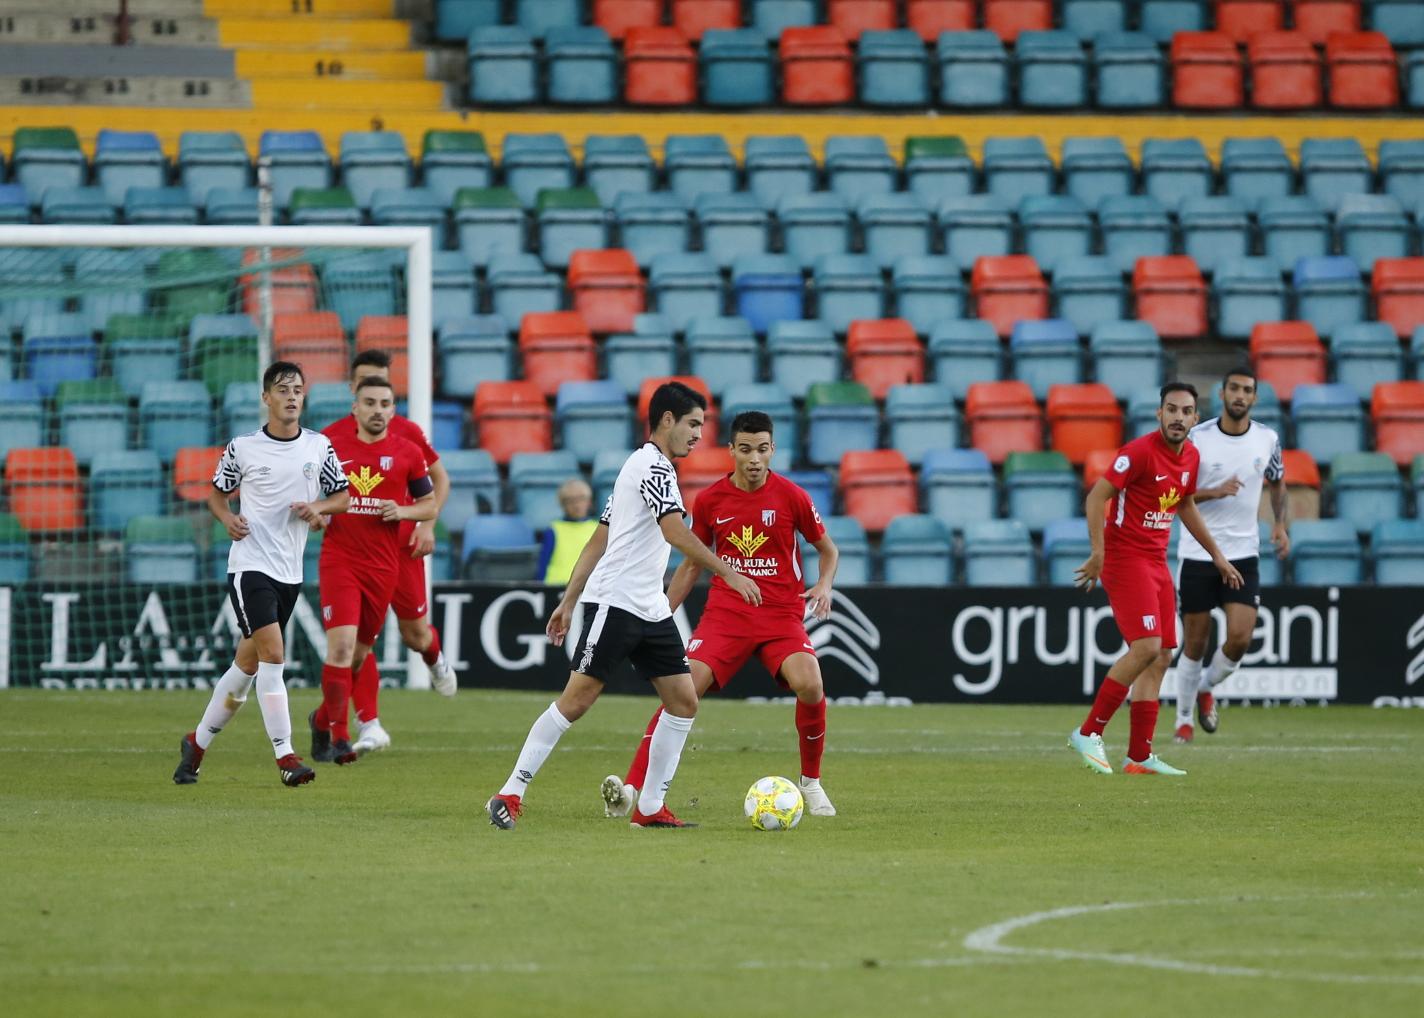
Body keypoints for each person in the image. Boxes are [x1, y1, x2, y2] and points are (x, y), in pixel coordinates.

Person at [484, 381, 763, 830]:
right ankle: (509, 792)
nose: (697, 434)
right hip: (615, 604)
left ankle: (650, 807)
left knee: (683, 701)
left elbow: (601, 535)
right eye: (693, 424)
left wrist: (568, 599)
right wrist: (728, 571)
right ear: (666, 420)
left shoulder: (646, 468)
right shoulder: (651, 467)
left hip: (649, 606)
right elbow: (674, 533)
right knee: (577, 701)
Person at [601, 411, 841, 820]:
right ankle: (631, 788)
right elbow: (692, 565)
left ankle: (811, 784)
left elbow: (829, 550)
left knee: (811, 684)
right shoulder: (710, 500)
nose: (754, 458)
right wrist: (660, 611)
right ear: (731, 450)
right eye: (745, 449)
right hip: (726, 615)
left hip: (780, 615)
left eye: (762, 450)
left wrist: (824, 585)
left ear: (772, 451)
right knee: (683, 691)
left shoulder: (793, 497)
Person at [174, 362, 349, 787]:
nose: (291, 396)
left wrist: (318, 509)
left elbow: (342, 496)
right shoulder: (244, 448)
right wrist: (227, 518)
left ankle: (194, 746)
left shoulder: (318, 447)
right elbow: (216, 494)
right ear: (266, 398)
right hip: (250, 566)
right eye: (282, 389)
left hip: (290, 572)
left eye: (298, 390)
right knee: (274, 655)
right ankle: (286, 756)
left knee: (245, 668)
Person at [1068, 382, 1243, 777]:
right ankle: (1088, 731)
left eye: (1185, 411)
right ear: (1159, 414)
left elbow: (1184, 504)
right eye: (1171, 409)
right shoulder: (1139, 454)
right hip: (1125, 559)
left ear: (1195, 419)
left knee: (1163, 653)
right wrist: (1098, 552)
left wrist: (1218, 557)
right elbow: (1097, 498)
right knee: (1146, 647)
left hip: (1156, 561)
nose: (1178, 417)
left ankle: (1138, 756)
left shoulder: (1191, 457)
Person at [320, 351, 458, 760]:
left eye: (383, 390)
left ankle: (434, 660)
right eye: (368, 389)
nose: (377, 400)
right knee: (350, 644)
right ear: (354, 392)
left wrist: (426, 525)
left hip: (401, 549)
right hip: (350, 552)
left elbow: (437, 482)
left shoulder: (407, 436)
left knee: (414, 635)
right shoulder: (330, 437)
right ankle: (366, 723)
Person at [1173, 366, 1289, 743]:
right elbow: (1177, 495)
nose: (1240, 395)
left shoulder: (1268, 439)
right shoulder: (1197, 438)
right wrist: (1214, 491)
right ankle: (1183, 721)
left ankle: (1206, 688)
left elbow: (1278, 481)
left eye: (1247, 390)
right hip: (1197, 553)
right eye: (1234, 388)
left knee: (1239, 638)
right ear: (1222, 394)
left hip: (1243, 553)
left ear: (1254, 398)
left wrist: (1280, 524)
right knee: (1195, 643)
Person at [536, 477, 598, 585]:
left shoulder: (599, 529)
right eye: (570, 501)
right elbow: (542, 566)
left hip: (589, 588)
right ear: (562, 504)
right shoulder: (553, 530)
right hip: (556, 587)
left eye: (581, 499)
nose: (576, 505)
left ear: (589, 501)